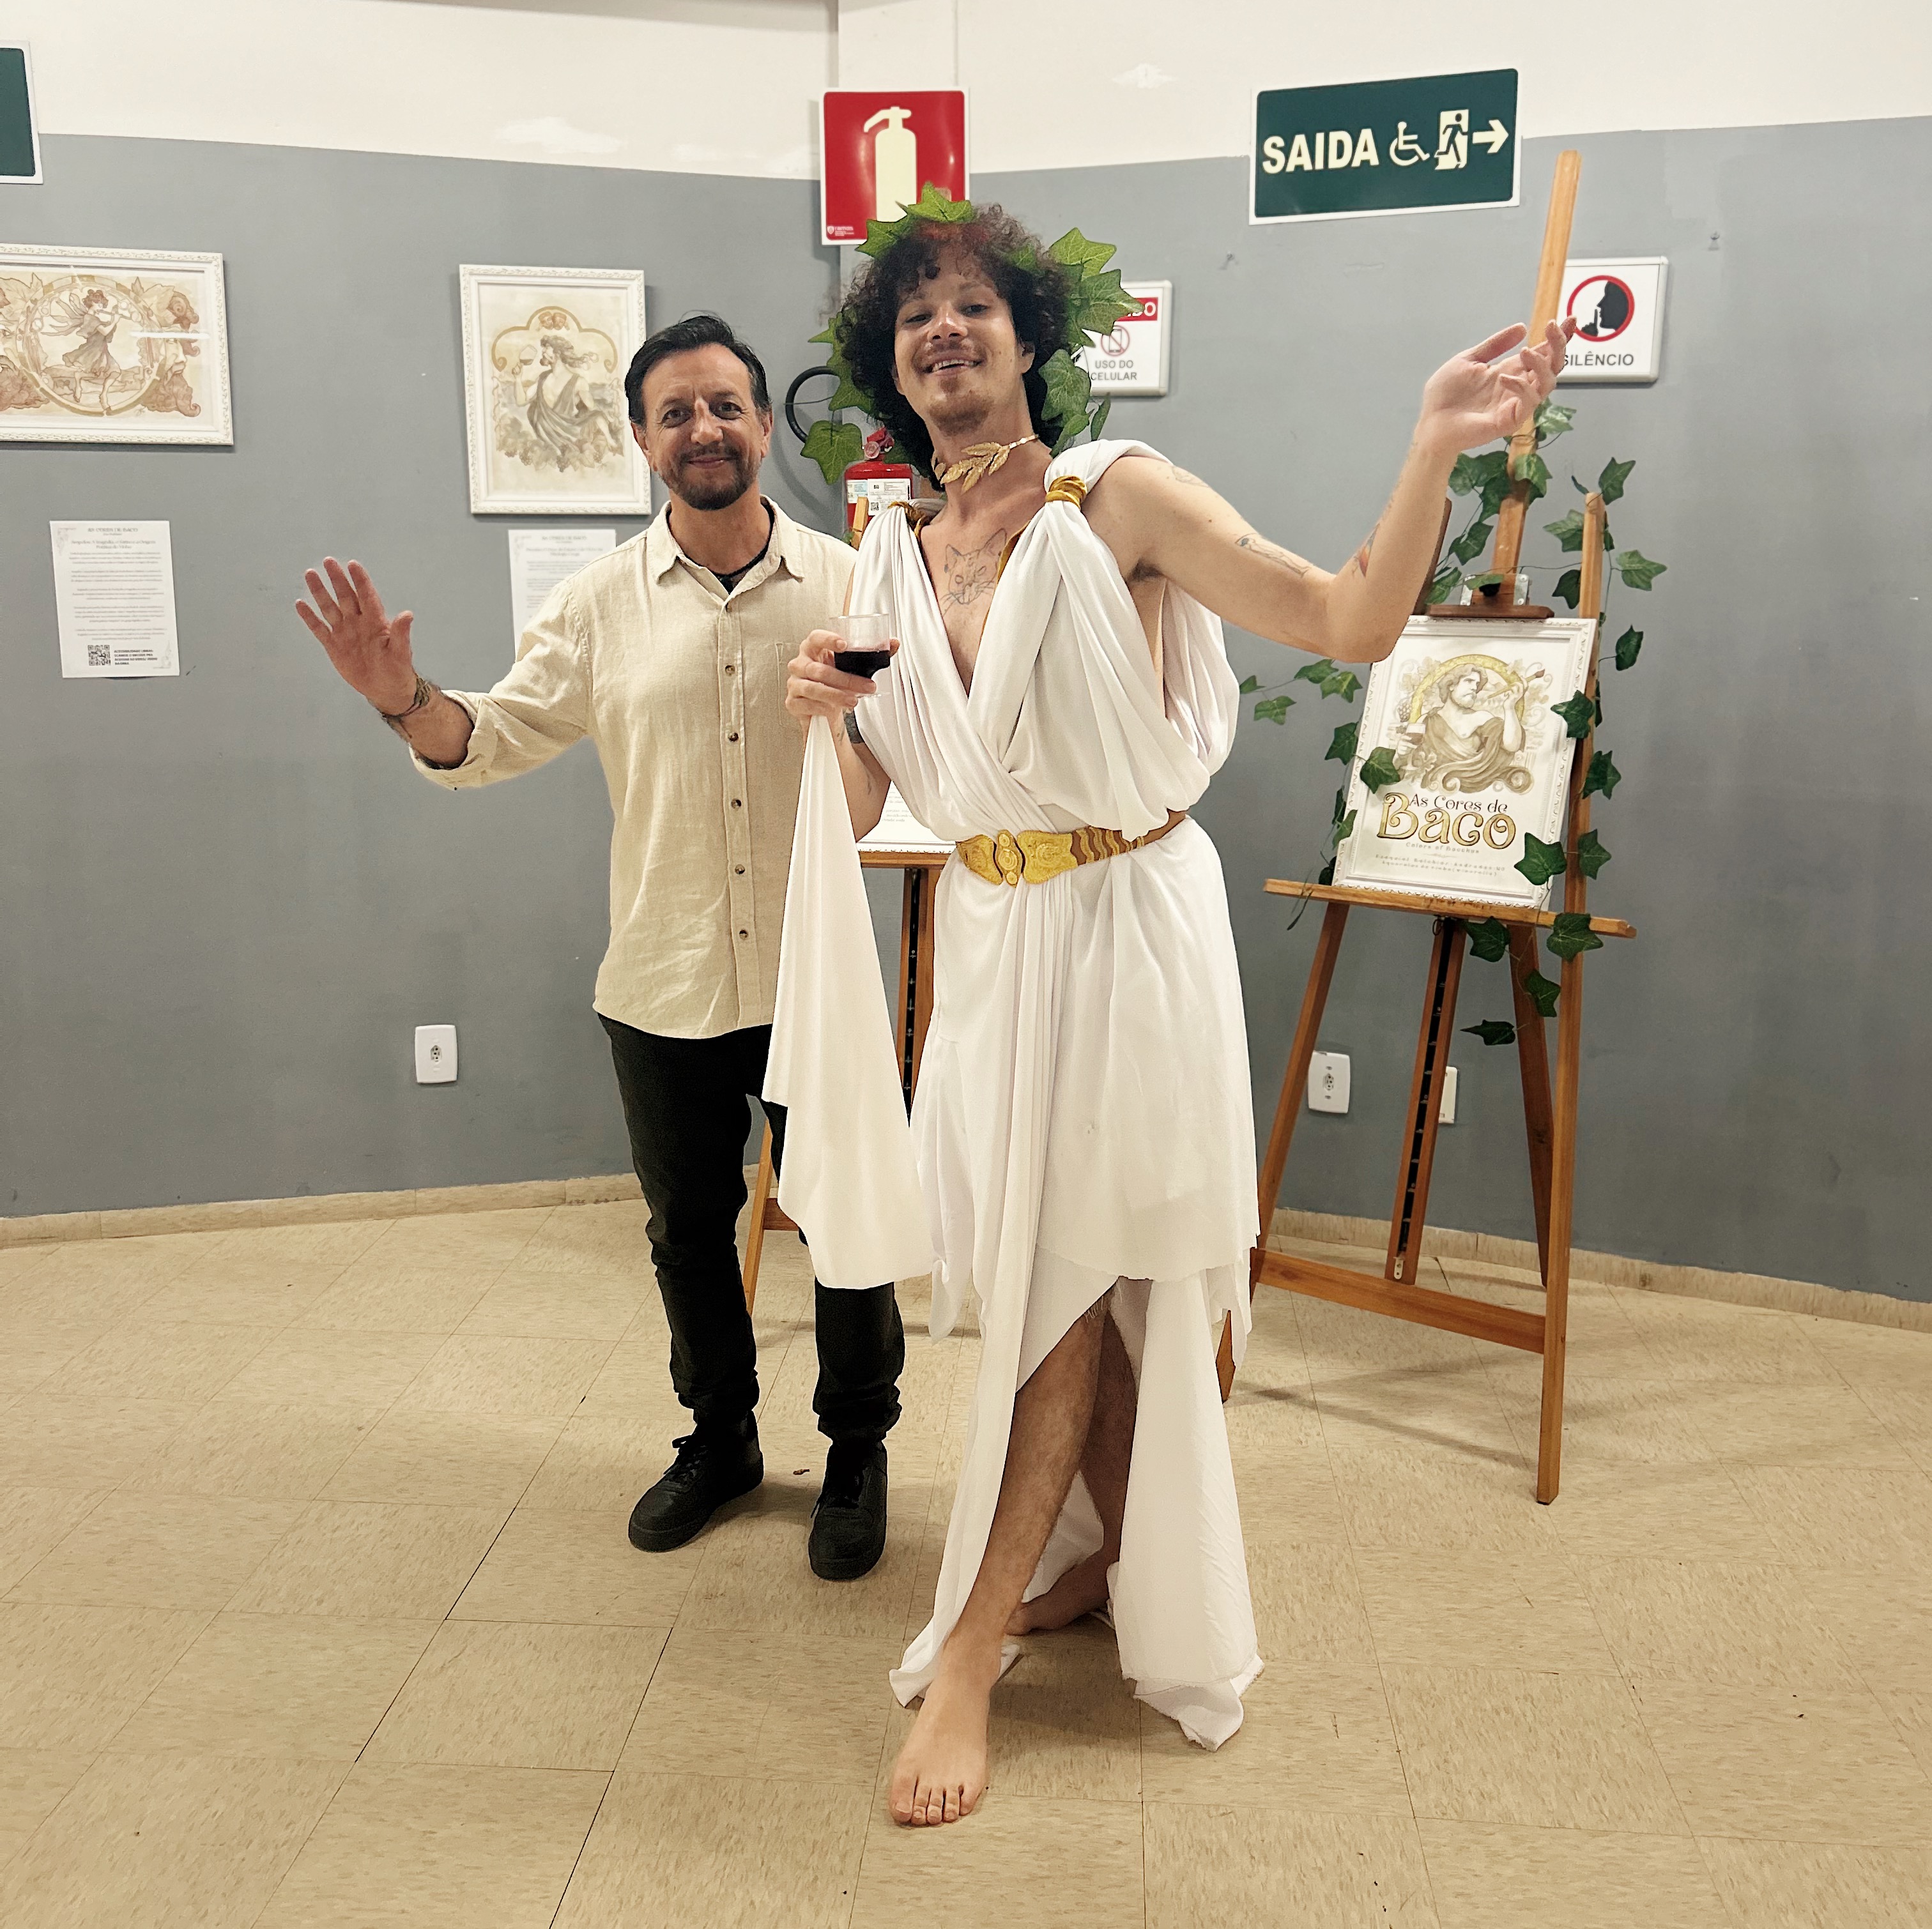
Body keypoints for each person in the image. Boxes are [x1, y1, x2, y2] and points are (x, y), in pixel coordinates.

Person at [781, 201, 1569, 1825]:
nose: (944, 331)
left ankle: (975, 1651)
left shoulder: (1117, 494)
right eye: (914, 315)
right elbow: (875, 804)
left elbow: (1349, 619)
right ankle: (1129, 1572)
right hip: (995, 946)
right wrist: (829, 717)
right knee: (1066, 1281)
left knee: (1067, 1291)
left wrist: (1433, 444)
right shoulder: (890, 552)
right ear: (890, 364)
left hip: (1128, 933)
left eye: (973, 303)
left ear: (1028, 335)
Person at [293, 312, 905, 1582]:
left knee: (848, 1223)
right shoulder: (595, 606)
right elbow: (493, 738)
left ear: (762, 423)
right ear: (640, 439)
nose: (704, 429)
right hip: (663, 978)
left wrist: (853, 736)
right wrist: (401, 699)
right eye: (676, 412)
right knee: (689, 1233)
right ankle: (722, 1440)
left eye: (725, 405)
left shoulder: (852, 585)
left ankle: (857, 1451)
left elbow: (892, 779)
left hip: (817, 976)